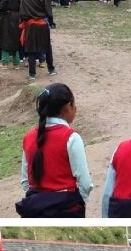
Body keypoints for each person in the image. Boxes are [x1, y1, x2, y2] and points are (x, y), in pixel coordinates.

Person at [17, 83, 93, 217]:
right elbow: (85, 183)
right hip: (66, 209)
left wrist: (42, 200)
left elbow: (25, 182)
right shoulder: (71, 137)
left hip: (34, 209)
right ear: (67, 107)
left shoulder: (29, 137)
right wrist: (80, 203)